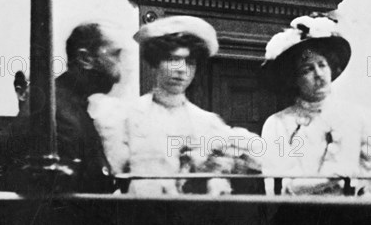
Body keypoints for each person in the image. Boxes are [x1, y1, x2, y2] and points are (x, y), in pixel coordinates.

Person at [260, 13, 371, 196]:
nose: (318, 74)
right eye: (307, 69)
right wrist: (327, 179)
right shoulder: (278, 125)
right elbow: (276, 187)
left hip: (351, 217)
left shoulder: (358, 117)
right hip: (300, 220)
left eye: (322, 65)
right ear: (294, 79)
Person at [90, 16, 260, 196]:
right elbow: (110, 178)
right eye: (173, 59)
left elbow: (255, 157)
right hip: (139, 215)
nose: (181, 70)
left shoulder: (207, 122)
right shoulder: (126, 117)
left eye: (190, 62)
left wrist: (223, 165)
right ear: (156, 63)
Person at [56, 22, 124, 193]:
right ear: (85, 59)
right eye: (116, 55)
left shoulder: (70, 104)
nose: (120, 70)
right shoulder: (62, 113)